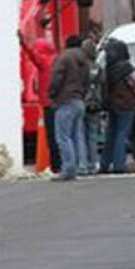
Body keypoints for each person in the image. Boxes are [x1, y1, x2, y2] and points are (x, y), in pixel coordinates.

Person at [49, 36, 91, 181]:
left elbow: (56, 77)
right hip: (79, 100)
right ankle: (81, 166)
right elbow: (87, 81)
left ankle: (68, 168)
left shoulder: (64, 58)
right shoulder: (85, 60)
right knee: (76, 136)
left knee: (63, 137)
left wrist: (52, 93)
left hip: (65, 100)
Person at [19, 29, 60, 174]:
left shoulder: (43, 61)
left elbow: (32, 55)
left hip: (48, 103)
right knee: (64, 135)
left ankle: (56, 166)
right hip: (62, 102)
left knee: (52, 137)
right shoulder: (58, 59)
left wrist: (23, 43)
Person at [101, 38, 135, 174]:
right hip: (126, 104)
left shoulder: (108, 67)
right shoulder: (125, 67)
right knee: (122, 133)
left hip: (111, 103)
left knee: (111, 133)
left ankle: (105, 164)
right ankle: (119, 164)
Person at [81, 39, 103, 175]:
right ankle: (93, 163)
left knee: (81, 135)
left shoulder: (81, 66)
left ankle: (83, 163)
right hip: (95, 103)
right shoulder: (97, 67)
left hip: (82, 101)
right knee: (93, 135)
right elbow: (102, 82)